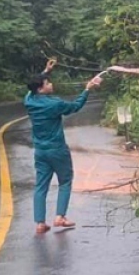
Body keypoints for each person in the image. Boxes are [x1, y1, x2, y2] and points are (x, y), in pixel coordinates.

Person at [24, 58, 102, 234]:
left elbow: (32, 87)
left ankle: (40, 223)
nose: (50, 84)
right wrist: (87, 89)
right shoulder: (55, 104)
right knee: (65, 181)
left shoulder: (29, 100)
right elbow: (75, 106)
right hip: (57, 149)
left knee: (41, 186)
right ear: (41, 88)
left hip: (40, 151)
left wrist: (46, 70)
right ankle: (60, 217)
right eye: (47, 82)